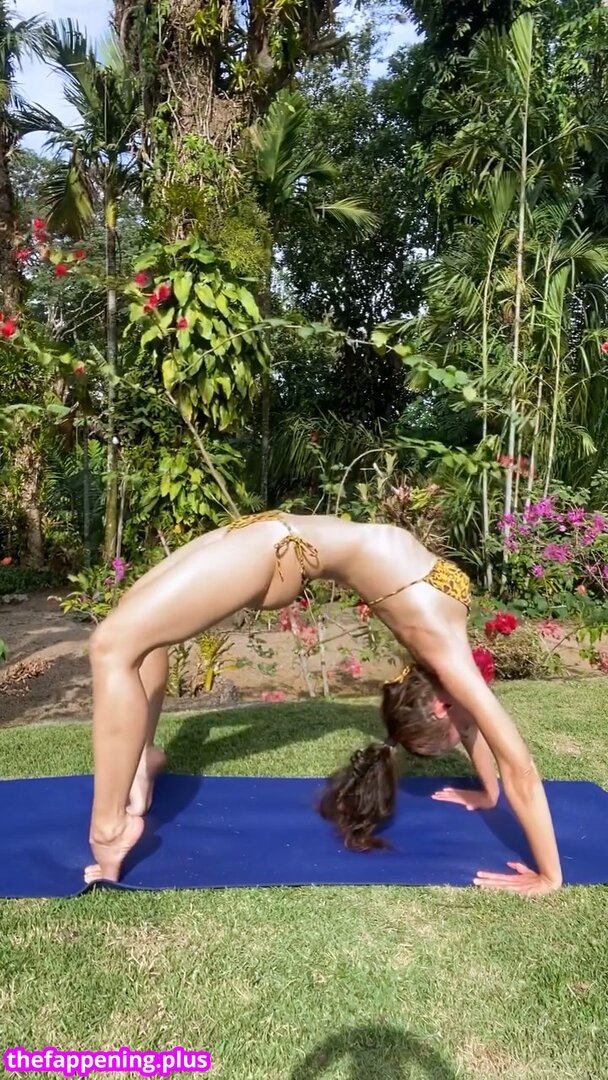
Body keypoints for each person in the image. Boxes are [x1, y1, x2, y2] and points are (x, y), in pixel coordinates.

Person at [84, 510, 563, 895]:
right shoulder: (445, 655)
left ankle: (109, 829)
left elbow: (482, 728)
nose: (470, 728)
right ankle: (142, 758)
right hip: (269, 537)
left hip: (276, 549)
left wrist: (491, 795)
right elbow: (517, 765)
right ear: (442, 707)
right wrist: (545, 867)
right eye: (460, 732)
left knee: (112, 645)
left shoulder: (444, 646)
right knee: (127, 626)